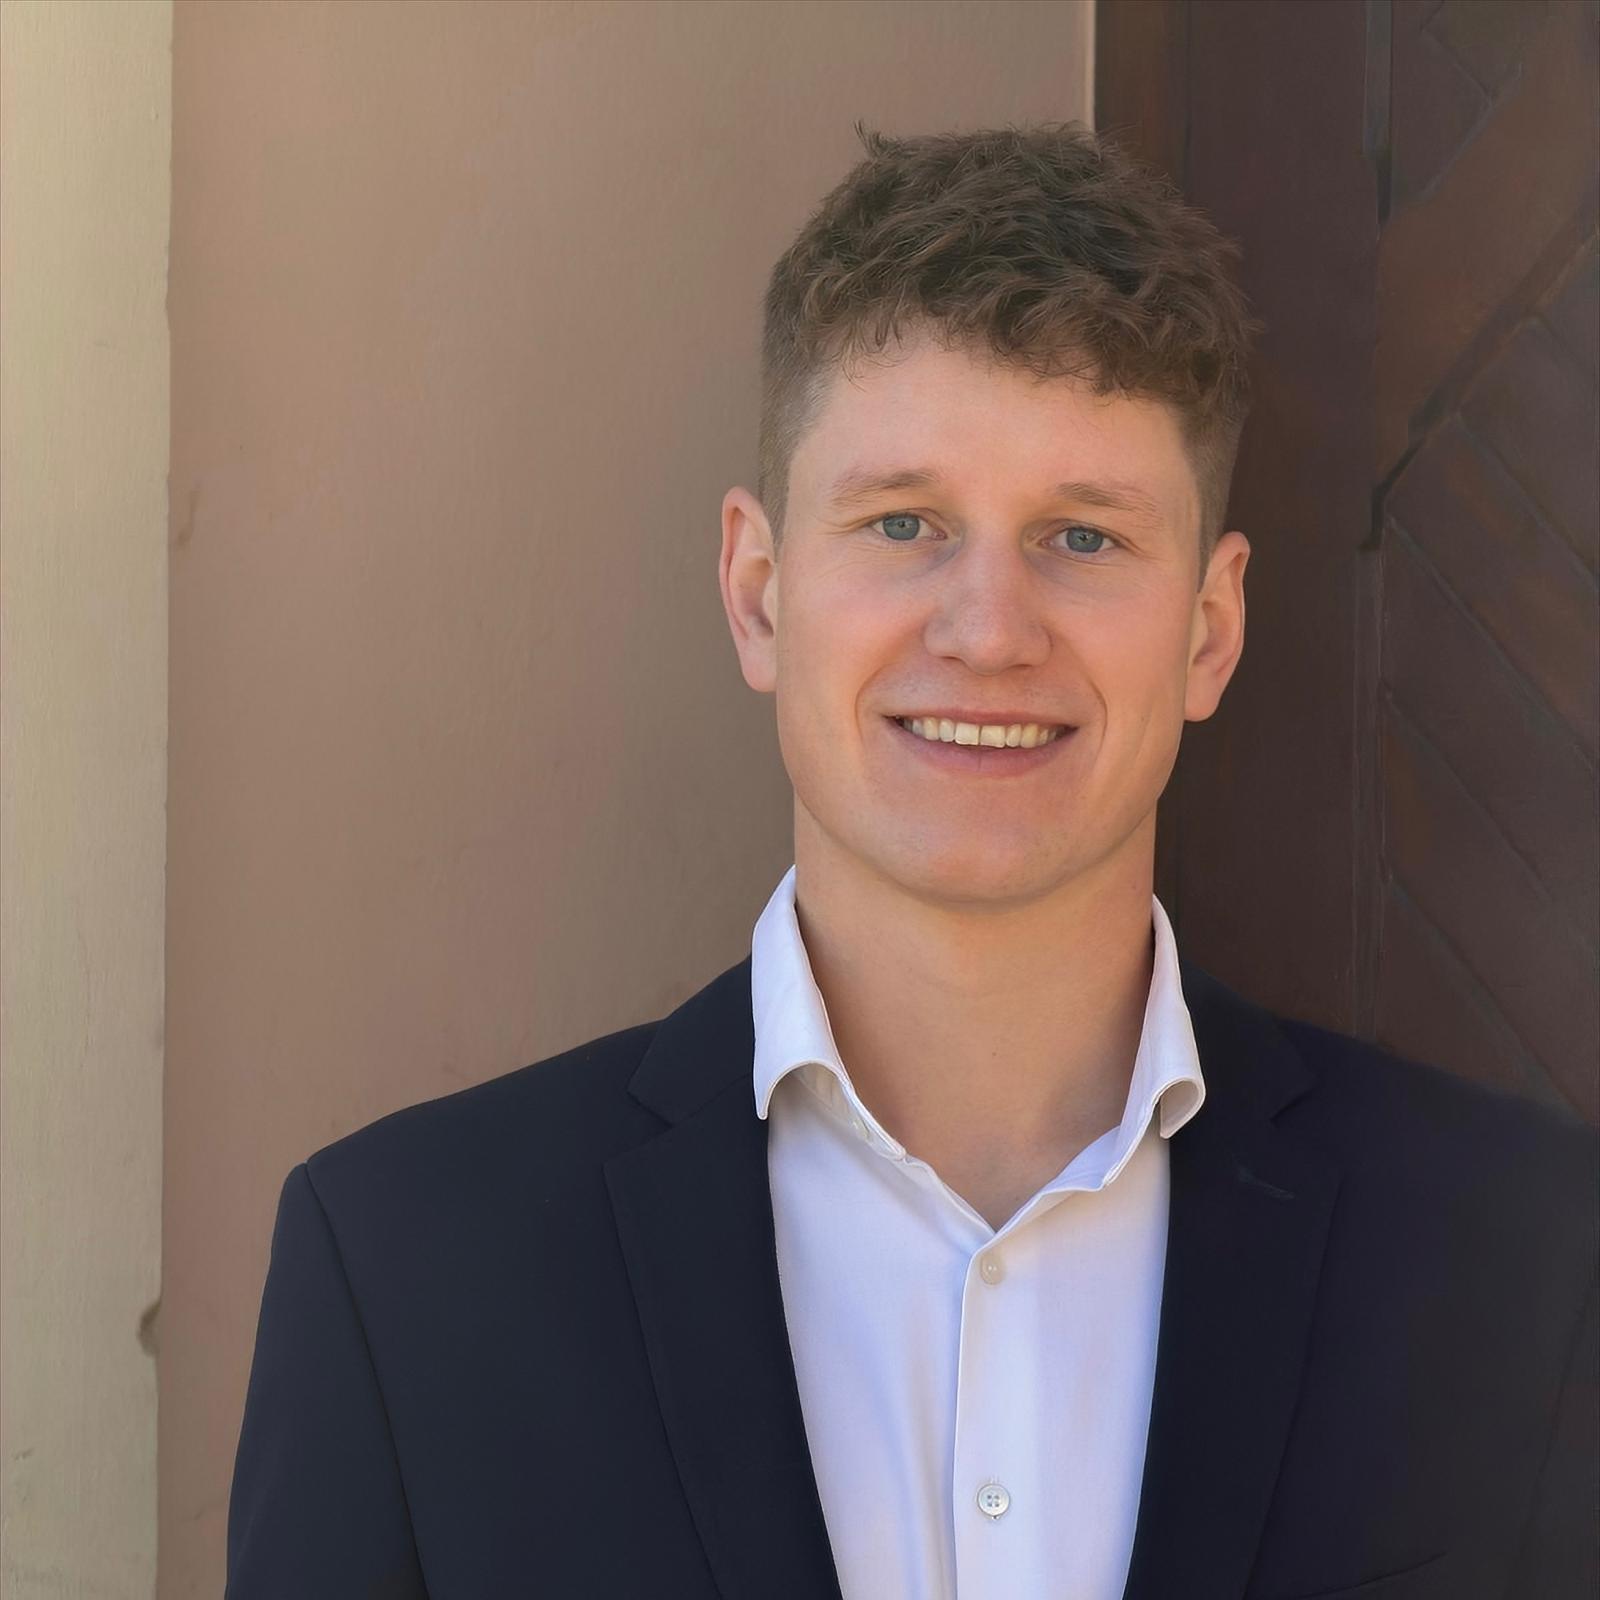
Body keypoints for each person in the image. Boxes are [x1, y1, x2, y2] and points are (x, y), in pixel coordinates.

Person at [225, 123, 1597, 1599]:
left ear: (1210, 630)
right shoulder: (406, 1270)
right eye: (903, 523)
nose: (989, 629)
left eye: (1082, 537)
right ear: (759, 593)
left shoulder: (1528, 1258)